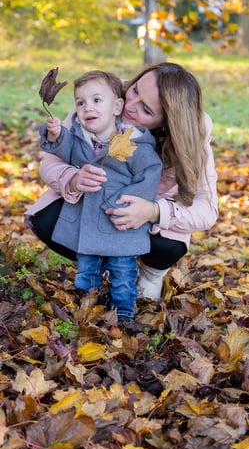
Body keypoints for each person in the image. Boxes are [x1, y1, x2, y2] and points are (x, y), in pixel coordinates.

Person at [25, 62, 218, 301]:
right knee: (47, 220)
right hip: (100, 203)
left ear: (167, 122)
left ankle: (150, 273)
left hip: (146, 217)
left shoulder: (192, 132)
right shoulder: (100, 95)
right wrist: (74, 178)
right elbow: (50, 163)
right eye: (135, 90)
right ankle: (104, 262)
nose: (130, 106)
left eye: (146, 110)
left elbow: (207, 209)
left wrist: (153, 211)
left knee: (169, 246)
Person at [38, 70, 162, 327]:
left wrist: (120, 204)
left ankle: (124, 312)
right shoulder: (83, 138)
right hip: (91, 224)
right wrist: (55, 135)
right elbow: (68, 149)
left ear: (118, 106)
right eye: (80, 102)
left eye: (96, 101)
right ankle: (87, 304)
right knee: (87, 266)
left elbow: (150, 176)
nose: (87, 108)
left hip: (120, 223)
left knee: (123, 272)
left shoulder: (135, 144)